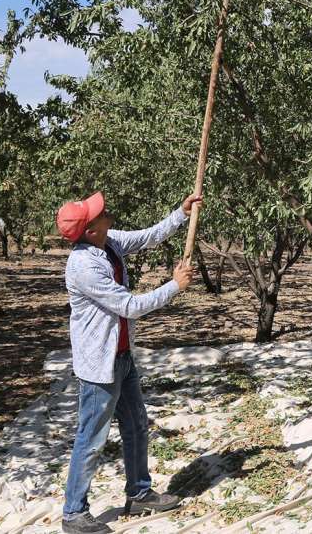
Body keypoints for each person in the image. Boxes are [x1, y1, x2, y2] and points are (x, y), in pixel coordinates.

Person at [55, 191, 201, 534]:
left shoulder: (109, 243)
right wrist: (174, 287)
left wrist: (181, 213)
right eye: (98, 214)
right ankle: (74, 513)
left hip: (121, 357)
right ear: (89, 230)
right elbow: (131, 306)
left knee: (136, 423)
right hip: (98, 367)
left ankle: (138, 492)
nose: (106, 212)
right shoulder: (84, 266)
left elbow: (148, 236)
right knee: (90, 438)